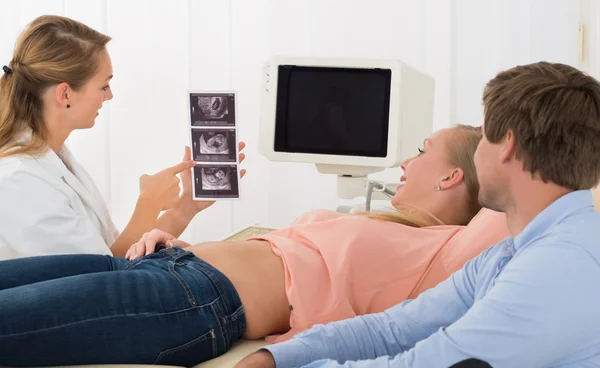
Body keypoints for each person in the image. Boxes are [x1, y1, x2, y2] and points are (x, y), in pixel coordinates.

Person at [0, 124, 510, 367]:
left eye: (422, 151)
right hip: (167, 264)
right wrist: (175, 235)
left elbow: (542, 191)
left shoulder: (448, 252)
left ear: (453, 176)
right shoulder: (387, 223)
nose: (405, 161)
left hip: (198, 301)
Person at [237, 61, 600, 368]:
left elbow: (430, 362)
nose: (476, 155)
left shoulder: (562, 263)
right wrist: (275, 358)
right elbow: (395, 328)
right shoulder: (509, 254)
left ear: (507, 146)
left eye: (484, 137)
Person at [0, 15, 239, 259]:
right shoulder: (19, 181)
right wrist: (149, 202)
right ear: (65, 94)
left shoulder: (57, 158)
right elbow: (103, 276)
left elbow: (124, 254)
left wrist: (186, 206)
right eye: (104, 86)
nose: (110, 95)